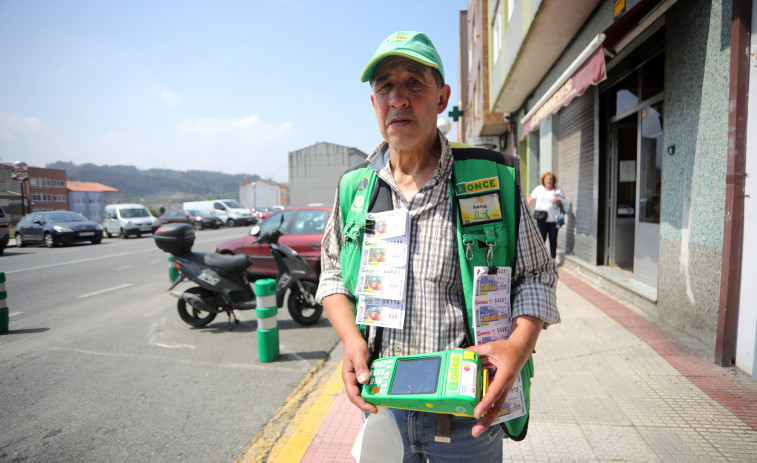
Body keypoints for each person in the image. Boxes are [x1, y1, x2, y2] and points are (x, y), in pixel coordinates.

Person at [316, 31, 560, 463]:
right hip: (383, 409)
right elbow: (332, 273)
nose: (399, 98)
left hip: (469, 412)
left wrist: (517, 349)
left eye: (414, 83)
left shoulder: (490, 178)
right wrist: (351, 339)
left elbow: (537, 275)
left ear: (442, 97)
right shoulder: (355, 188)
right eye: (385, 87)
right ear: (374, 103)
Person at [527, 172, 565, 259]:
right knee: (541, 240)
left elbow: (564, 202)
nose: (549, 181)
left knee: (553, 239)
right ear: (543, 180)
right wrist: (523, 210)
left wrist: (558, 201)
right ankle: (540, 259)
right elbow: (530, 200)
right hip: (541, 219)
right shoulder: (539, 189)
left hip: (554, 220)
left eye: (551, 179)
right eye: (547, 179)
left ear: (553, 180)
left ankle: (552, 259)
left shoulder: (558, 190)